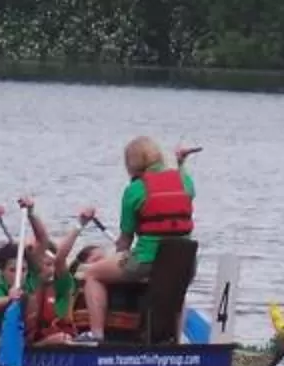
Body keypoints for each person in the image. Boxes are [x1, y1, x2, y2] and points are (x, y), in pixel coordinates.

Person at [75, 138, 201, 344]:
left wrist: (118, 256)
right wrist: (180, 162)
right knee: (176, 287)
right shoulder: (185, 181)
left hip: (146, 261)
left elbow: (125, 239)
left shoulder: (134, 190)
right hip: (185, 262)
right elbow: (183, 186)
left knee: (92, 274)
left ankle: (96, 335)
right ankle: (177, 341)